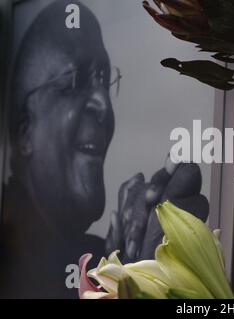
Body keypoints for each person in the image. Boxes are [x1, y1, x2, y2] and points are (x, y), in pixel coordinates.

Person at [0, 0, 208, 298]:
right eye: (72, 82)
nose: (102, 102)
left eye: (104, 79)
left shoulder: (97, 255)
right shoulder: (12, 256)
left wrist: (135, 271)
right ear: (24, 133)